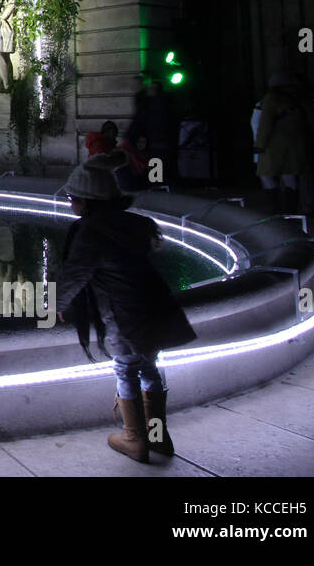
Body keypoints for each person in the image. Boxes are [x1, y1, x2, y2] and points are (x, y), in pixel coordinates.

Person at [54, 151, 196, 463]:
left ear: (88, 201)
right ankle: (158, 436)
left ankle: (133, 438)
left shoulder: (91, 231)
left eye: (72, 197)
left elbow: (76, 272)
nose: (69, 202)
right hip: (153, 307)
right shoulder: (135, 224)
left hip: (123, 315)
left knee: (125, 369)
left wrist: (58, 304)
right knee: (150, 367)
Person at [254, 72, 310, 213]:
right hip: (294, 146)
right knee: (290, 178)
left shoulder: (271, 99)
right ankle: (290, 212)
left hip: (273, 146)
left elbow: (265, 124)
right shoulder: (296, 101)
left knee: (266, 176)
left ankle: (276, 212)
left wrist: (259, 145)